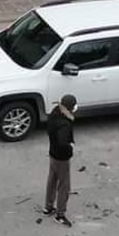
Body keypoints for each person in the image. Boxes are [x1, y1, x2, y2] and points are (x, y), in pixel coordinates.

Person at [42, 94, 77, 227]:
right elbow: (63, 142)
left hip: (52, 153)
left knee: (52, 180)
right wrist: (70, 147)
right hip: (62, 157)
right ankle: (60, 214)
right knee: (64, 185)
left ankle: (48, 206)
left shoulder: (54, 112)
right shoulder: (64, 124)